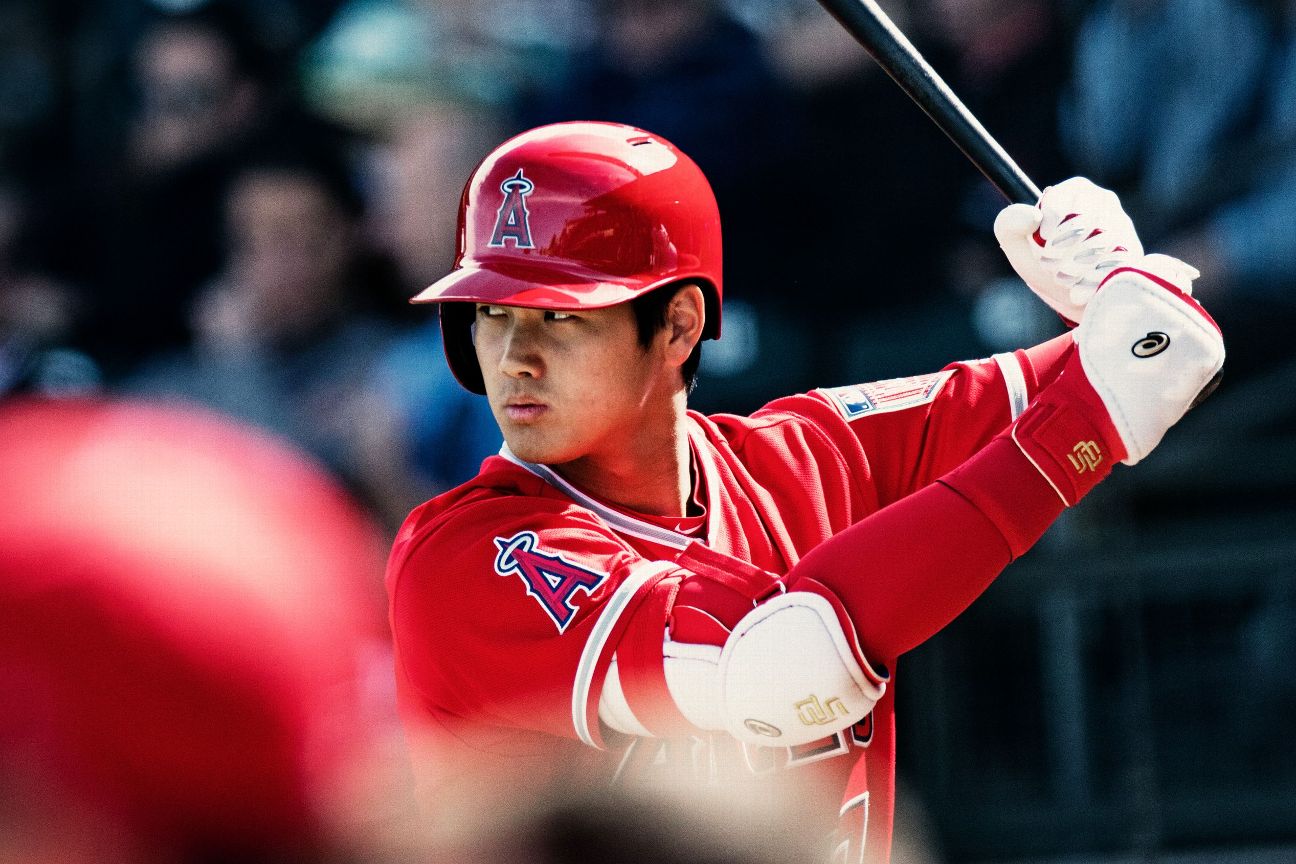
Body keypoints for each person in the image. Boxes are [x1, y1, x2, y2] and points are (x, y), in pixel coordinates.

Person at [385, 121, 1224, 863]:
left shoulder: (799, 454)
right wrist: (1087, 413)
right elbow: (780, 672)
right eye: (492, 315)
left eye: (558, 317)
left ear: (678, 324)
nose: (514, 357)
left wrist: (1120, 297)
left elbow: (1136, 373)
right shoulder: (465, 557)